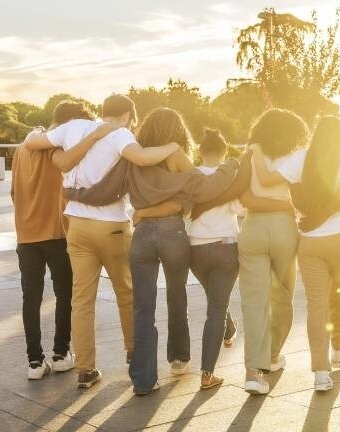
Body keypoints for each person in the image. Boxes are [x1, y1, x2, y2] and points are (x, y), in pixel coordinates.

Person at [62, 107, 240, 396]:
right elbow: (205, 188)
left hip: (142, 237)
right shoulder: (176, 156)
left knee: (143, 308)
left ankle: (143, 380)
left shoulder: (132, 156)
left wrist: (74, 194)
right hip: (173, 234)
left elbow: (107, 189)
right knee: (176, 295)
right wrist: (231, 166)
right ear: (177, 130)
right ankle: (179, 359)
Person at [21, 95, 181, 389]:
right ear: (128, 115)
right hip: (112, 226)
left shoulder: (73, 127)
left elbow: (33, 143)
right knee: (126, 293)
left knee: (82, 299)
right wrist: (174, 146)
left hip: (77, 225)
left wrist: (34, 132)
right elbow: (143, 158)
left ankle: (85, 370)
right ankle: (134, 357)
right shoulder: (121, 134)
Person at [252, 115, 340, 391]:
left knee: (315, 305)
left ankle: (320, 374)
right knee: (339, 293)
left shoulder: (300, 158)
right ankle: (338, 344)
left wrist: (256, 151)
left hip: (310, 241)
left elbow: (267, 179)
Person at [11, 101, 95, 380]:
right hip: (58, 233)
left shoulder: (23, 149)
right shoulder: (59, 150)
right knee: (65, 295)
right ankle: (61, 355)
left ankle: (34, 363)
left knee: (30, 298)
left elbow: (14, 192)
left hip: (26, 236)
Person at [238, 109, 308, 395]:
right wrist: (286, 207)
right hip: (284, 229)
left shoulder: (249, 154)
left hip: (252, 228)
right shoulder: (296, 157)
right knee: (283, 296)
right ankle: (273, 355)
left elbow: (244, 197)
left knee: (254, 302)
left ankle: (254, 372)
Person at [185, 129, 243, 389]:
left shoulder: (191, 176)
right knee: (216, 308)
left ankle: (229, 330)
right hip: (225, 247)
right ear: (224, 152)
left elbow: (184, 212)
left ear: (200, 151)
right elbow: (239, 208)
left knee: (215, 298)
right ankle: (207, 373)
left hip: (195, 250)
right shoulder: (229, 175)